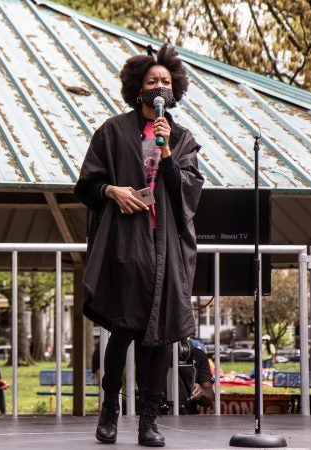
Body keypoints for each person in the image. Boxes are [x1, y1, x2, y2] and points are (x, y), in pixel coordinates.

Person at [74, 44, 204, 447]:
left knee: (162, 336)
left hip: (166, 249)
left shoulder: (181, 138)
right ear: (137, 87)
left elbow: (188, 191)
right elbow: (87, 185)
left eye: (165, 81)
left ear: (175, 87)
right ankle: (110, 409)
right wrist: (112, 190)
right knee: (124, 330)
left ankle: (150, 419)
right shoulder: (112, 132)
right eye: (152, 81)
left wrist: (166, 154)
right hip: (125, 246)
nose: (159, 86)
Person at [168, 340, 215, 415]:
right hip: (154, 416)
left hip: (187, 418)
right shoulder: (150, 353)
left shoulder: (197, 355)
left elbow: (210, 397)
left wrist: (201, 392)